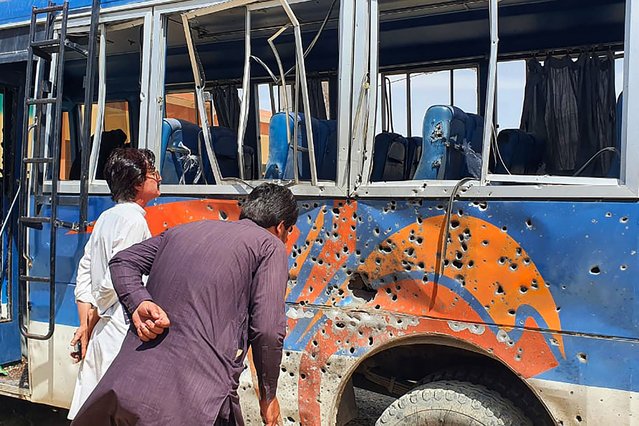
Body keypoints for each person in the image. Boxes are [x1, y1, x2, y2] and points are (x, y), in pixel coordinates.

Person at [71, 183, 297, 426]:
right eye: (288, 232)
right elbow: (267, 330)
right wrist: (268, 396)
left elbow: (123, 261)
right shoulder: (269, 245)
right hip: (196, 404)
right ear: (281, 226)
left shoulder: (181, 232)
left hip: (126, 390)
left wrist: (139, 301)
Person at [68, 148, 162, 419]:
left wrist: (85, 325)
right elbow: (116, 280)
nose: (157, 177)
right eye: (152, 172)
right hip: (120, 328)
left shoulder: (108, 218)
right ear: (137, 183)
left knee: (92, 410)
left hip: (102, 332)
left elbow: (85, 271)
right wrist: (93, 321)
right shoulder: (133, 221)